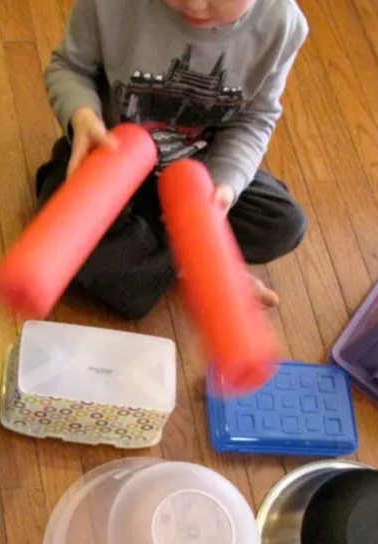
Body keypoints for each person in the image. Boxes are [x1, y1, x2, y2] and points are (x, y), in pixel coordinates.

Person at [40, 0, 309, 320]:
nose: (194, 4)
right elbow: (70, 68)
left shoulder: (282, 24)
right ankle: (196, 263)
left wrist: (224, 186)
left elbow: (254, 120)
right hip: (108, 166)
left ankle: (159, 257)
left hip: (193, 173)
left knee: (282, 224)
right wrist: (81, 114)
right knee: (59, 202)